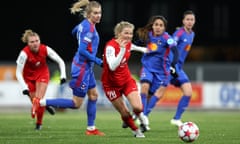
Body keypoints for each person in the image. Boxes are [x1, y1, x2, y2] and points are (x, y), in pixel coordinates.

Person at [38, 0, 105, 136]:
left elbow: (74, 31)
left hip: (86, 67)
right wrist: (98, 60)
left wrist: (81, 37)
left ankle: (91, 129)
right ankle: (41, 102)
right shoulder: (89, 29)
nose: (98, 15)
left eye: (100, 13)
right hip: (82, 68)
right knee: (76, 104)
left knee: (93, 95)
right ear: (88, 14)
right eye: (95, 13)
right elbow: (82, 50)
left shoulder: (84, 25)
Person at [101, 21, 148, 138]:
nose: (129, 36)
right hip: (111, 85)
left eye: (131, 33)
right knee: (125, 113)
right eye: (126, 33)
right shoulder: (110, 47)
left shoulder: (128, 44)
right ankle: (136, 131)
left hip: (126, 81)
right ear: (118, 33)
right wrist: (121, 50)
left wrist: (146, 50)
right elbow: (112, 66)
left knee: (138, 107)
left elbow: (134, 47)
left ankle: (141, 117)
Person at [16, 29, 67, 130]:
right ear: (28, 43)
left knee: (38, 100)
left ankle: (39, 124)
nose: (35, 44)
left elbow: (60, 61)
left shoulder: (45, 49)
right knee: (37, 102)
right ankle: (46, 105)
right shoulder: (23, 54)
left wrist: (63, 76)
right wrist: (24, 87)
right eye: (32, 42)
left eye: (37, 41)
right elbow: (18, 72)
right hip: (28, 78)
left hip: (42, 74)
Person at [136, 15, 179, 130]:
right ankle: (141, 117)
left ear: (164, 27)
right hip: (147, 68)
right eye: (156, 25)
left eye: (161, 25)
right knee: (144, 88)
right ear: (152, 26)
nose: (158, 27)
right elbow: (137, 42)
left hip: (161, 72)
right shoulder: (148, 35)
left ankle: (143, 115)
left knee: (152, 95)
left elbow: (175, 51)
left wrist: (173, 65)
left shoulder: (167, 38)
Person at [170, 10, 196, 127]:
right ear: (183, 21)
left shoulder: (192, 34)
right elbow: (170, 48)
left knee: (188, 92)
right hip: (170, 66)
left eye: (192, 19)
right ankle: (141, 115)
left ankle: (176, 118)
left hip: (179, 68)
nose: (190, 22)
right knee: (154, 92)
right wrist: (171, 65)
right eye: (187, 19)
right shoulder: (178, 33)